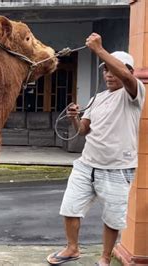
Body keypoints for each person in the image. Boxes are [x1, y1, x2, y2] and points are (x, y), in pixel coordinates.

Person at [47, 33, 145, 266]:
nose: (109, 74)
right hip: (86, 165)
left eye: (114, 69)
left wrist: (100, 51)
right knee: (70, 208)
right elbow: (83, 131)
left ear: (128, 72)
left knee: (112, 218)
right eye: (105, 70)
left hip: (117, 168)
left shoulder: (134, 92)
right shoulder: (97, 98)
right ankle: (72, 248)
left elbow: (125, 77)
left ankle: (104, 259)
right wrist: (74, 118)